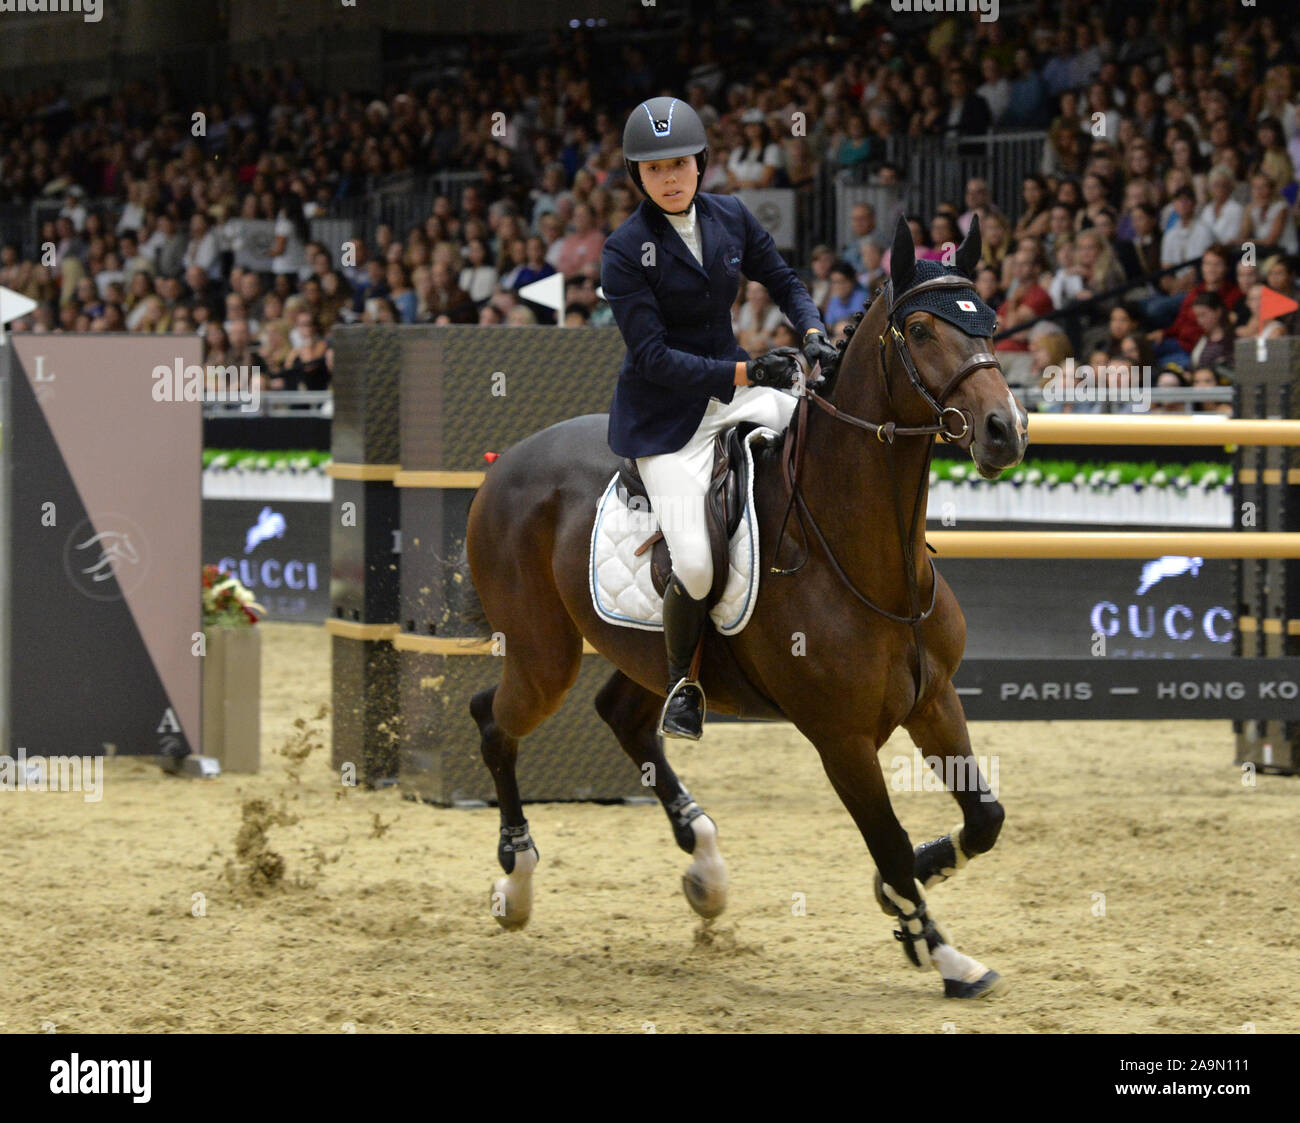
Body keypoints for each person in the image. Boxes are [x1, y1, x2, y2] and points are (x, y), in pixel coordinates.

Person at [603, 96, 833, 739]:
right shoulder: (625, 251)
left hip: (733, 391)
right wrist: (746, 372)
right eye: (654, 170)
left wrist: (812, 330)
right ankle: (682, 684)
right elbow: (652, 358)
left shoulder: (730, 216)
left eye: (679, 163)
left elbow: (784, 280)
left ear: (700, 164)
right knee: (697, 566)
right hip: (666, 421)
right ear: (638, 178)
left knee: (820, 425)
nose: (670, 178)